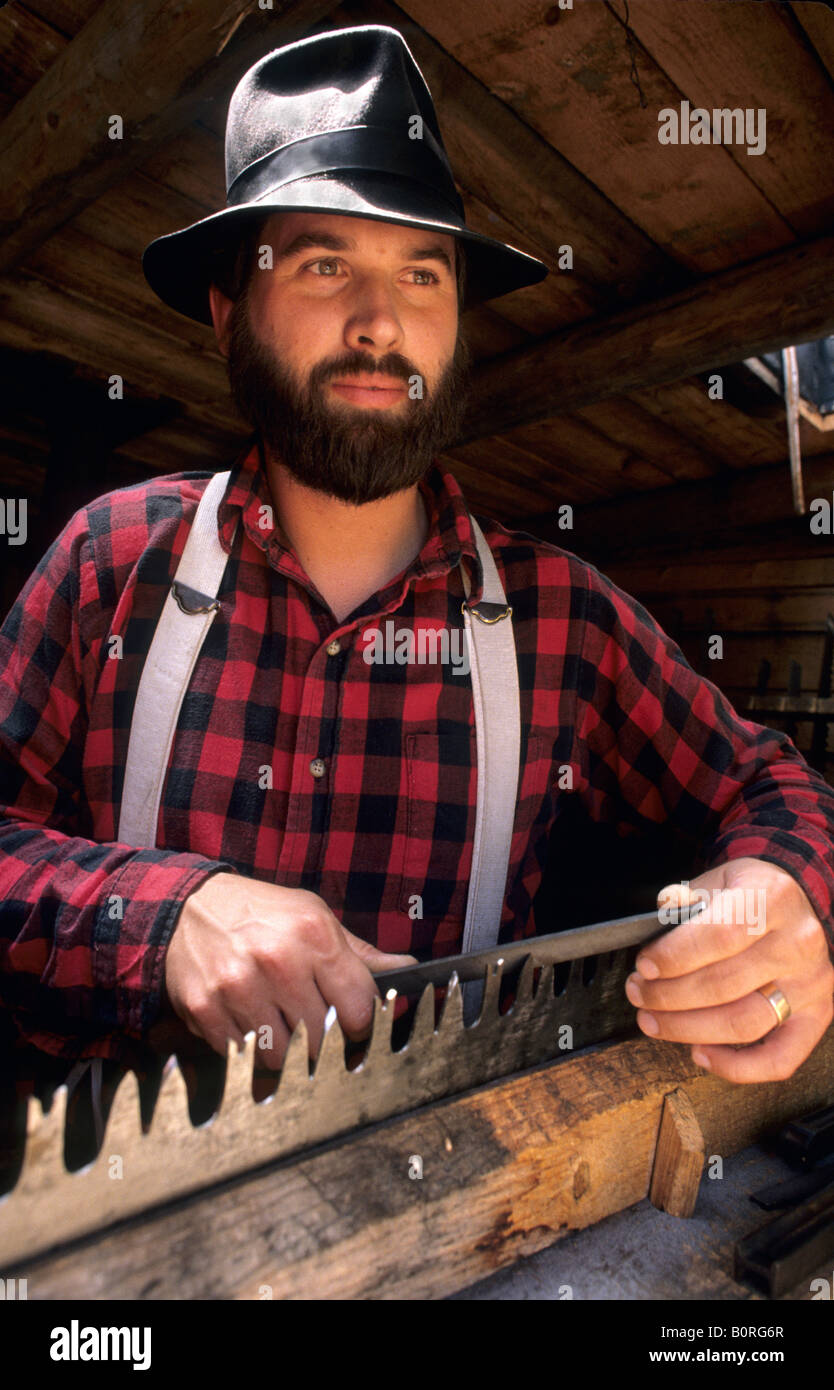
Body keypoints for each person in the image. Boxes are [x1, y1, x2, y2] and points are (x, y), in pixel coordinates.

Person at [1, 26, 832, 1092]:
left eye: (422, 276)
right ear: (226, 313)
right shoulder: (109, 563)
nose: (380, 323)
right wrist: (160, 919)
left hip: (451, 1215)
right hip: (110, 1229)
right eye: (323, 263)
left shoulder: (562, 622)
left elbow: (773, 782)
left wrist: (788, 889)